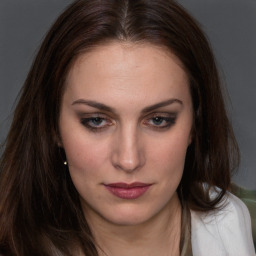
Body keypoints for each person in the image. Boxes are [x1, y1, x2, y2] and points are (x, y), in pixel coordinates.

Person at [0, 0, 255, 255]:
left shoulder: (245, 228)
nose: (129, 160)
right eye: (96, 121)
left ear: (194, 125)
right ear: (52, 126)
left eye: (158, 120)